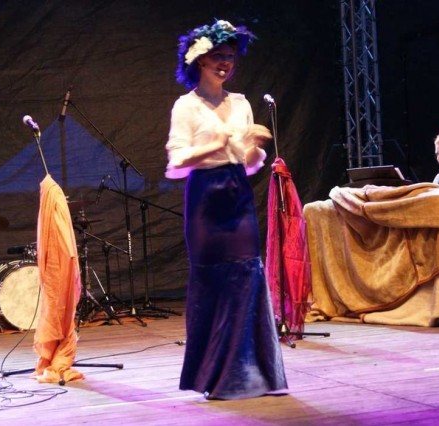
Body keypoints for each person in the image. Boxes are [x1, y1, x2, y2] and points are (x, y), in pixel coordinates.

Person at [164, 19, 288, 400]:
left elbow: (246, 162)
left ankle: (254, 375)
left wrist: (254, 147)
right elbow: (176, 162)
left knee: (247, 276)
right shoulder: (186, 106)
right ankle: (215, 377)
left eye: (230, 57)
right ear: (200, 60)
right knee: (213, 282)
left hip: (237, 196)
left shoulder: (241, 104)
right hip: (205, 199)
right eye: (218, 55)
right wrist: (213, 145)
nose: (225, 63)